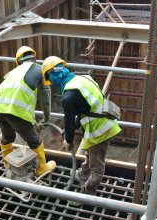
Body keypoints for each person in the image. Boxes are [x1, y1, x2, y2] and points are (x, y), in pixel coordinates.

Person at [41, 56, 121, 195]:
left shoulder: (68, 96)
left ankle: (89, 192)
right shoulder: (83, 78)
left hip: (101, 129)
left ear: (52, 76)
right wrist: (73, 128)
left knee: (97, 165)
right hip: (100, 121)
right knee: (90, 153)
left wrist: (68, 140)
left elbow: (69, 119)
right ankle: (84, 173)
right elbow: (86, 106)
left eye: (50, 79)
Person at [0, 46, 56, 176]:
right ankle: (42, 168)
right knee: (35, 140)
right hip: (17, 111)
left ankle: (7, 163)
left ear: (18, 61)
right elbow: (46, 97)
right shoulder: (40, 69)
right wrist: (47, 118)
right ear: (34, 57)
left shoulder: (11, 72)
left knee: (8, 136)